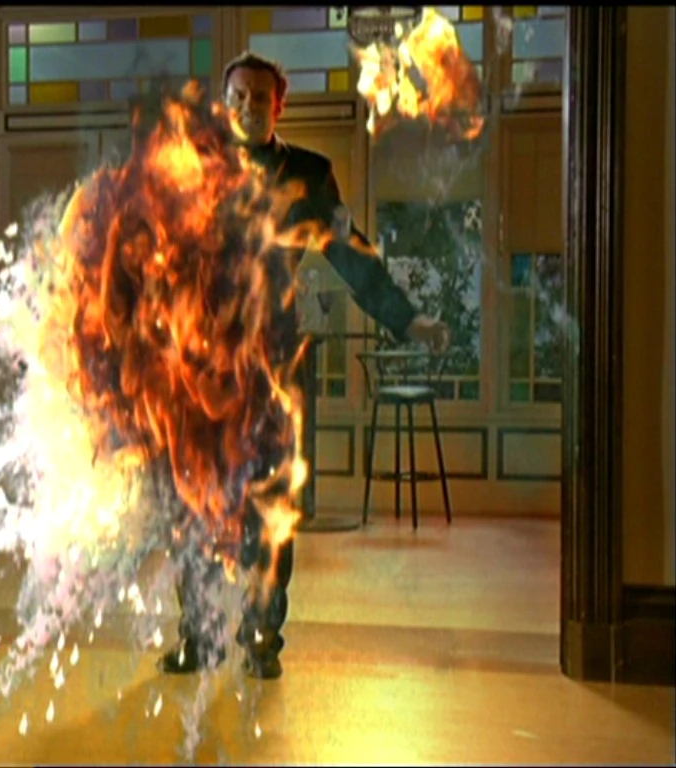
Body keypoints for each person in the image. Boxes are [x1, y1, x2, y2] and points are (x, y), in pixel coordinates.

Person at [158, 51, 450, 680]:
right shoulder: (194, 171)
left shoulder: (309, 177)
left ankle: (262, 637)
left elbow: (352, 255)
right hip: (202, 372)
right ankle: (198, 636)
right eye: (236, 97)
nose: (246, 108)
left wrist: (409, 320)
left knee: (272, 512)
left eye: (259, 98)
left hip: (273, 373)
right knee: (195, 511)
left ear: (278, 105)